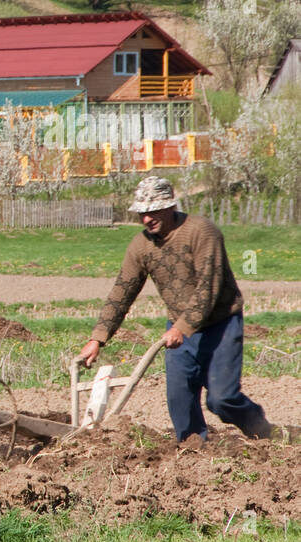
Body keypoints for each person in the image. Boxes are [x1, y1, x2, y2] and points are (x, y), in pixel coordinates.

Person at [78, 175, 281, 444]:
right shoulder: (141, 246)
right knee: (180, 400)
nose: (147, 219)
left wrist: (182, 328)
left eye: (153, 212)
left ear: (170, 207)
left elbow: (209, 288)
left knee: (221, 399)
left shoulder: (202, 232)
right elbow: (122, 291)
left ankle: (262, 429)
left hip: (220, 325)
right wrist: (98, 338)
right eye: (142, 213)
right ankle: (193, 452)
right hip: (178, 330)